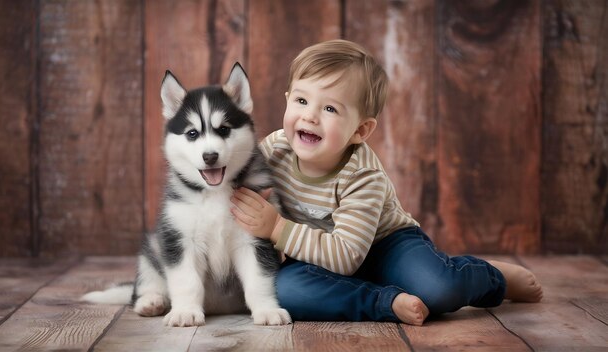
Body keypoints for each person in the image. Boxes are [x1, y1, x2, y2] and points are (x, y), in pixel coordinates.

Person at [230, 39, 543, 325]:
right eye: (301, 101)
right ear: (287, 100)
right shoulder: (275, 149)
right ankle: (384, 300)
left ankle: (489, 277)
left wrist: (276, 229)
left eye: (329, 108)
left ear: (360, 131)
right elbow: (235, 177)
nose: (309, 116)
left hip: (387, 246)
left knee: (439, 289)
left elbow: (346, 255)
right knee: (287, 290)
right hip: (317, 254)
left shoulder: (362, 175)